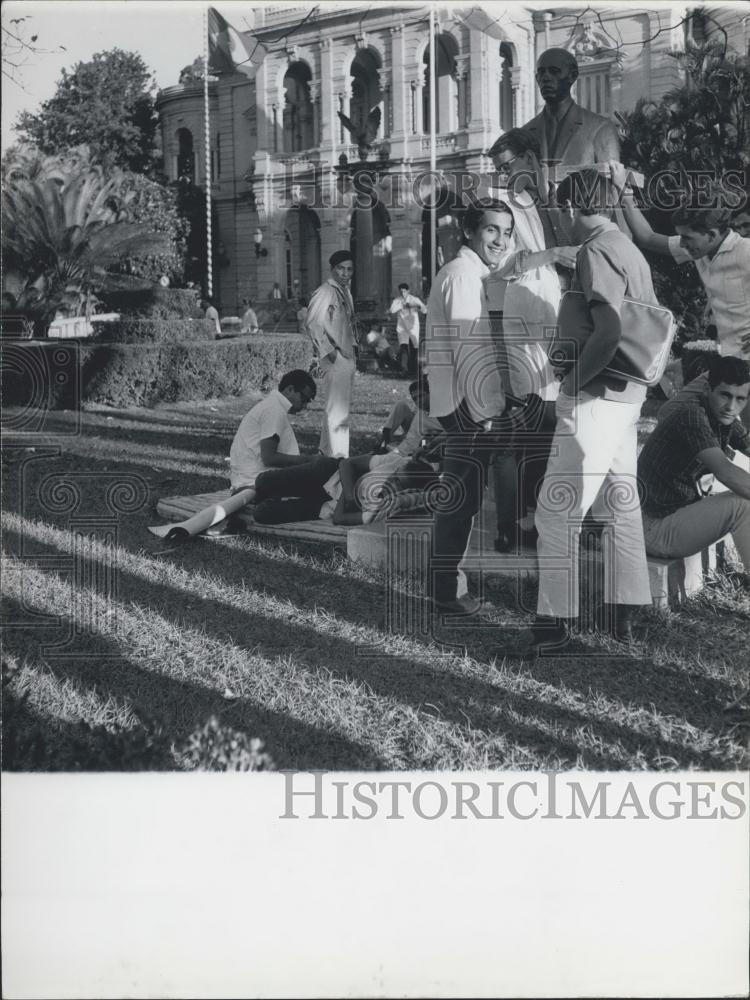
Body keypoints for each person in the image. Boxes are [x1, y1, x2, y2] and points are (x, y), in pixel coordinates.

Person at [525, 170, 657, 653]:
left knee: (556, 511)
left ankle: (553, 627)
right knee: (622, 504)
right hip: (627, 397)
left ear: (572, 208)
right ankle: (624, 614)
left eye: (561, 209)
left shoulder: (595, 250)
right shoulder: (627, 247)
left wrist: (572, 386)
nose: (559, 217)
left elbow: (608, 329)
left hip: (597, 397)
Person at [486, 128, 580, 551]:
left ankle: (533, 518)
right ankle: (509, 524)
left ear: (530, 158)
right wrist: (555, 256)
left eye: (509, 166)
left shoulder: (543, 199)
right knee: (519, 429)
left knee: (547, 426)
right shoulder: (503, 205)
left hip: (551, 316)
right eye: (499, 169)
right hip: (523, 321)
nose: (505, 175)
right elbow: (502, 264)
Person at [423, 198, 511, 615]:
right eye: (492, 230)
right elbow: (468, 351)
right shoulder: (461, 275)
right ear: (471, 233)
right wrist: (485, 412)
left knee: (463, 499)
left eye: (507, 231)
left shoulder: (473, 273)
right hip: (465, 405)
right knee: (460, 501)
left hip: (465, 404)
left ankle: (448, 587)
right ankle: (446, 593)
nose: (501, 239)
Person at [610, 166, 750, 365]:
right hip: (730, 363)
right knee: (682, 397)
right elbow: (647, 237)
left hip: (743, 367)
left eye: (687, 237)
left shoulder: (744, 251)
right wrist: (624, 191)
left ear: (711, 235)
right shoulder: (700, 249)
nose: (682, 243)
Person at [638, 355, 750, 584]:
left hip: (675, 515)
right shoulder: (692, 415)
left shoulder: (721, 416)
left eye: (740, 399)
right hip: (652, 527)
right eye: (725, 395)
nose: (731, 406)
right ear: (708, 389)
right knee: (742, 505)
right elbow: (726, 473)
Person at [229, 369, 339, 524]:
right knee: (325, 471)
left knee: (325, 479)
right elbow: (269, 457)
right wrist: (309, 460)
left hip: (251, 479)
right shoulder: (274, 410)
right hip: (254, 481)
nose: (305, 406)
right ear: (290, 389)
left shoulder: (272, 407)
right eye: (304, 399)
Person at [520, 48, 620, 177]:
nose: (546, 78)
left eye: (554, 71)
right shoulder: (525, 134)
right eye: (541, 72)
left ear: (572, 76)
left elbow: (609, 189)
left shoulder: (601, 128)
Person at [305, 250, 357, 458]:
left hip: (346, 357)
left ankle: (326, 455)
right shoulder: (326, 291)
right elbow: (312, 323)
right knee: (338, 411)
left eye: (349, 269)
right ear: (332, 269)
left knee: (338, 409)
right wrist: (330, 353)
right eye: (341, 268)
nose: (345, 273)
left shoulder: (344, 291)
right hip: (337, 359)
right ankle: (339, 459)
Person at [389, 283, 427, 374]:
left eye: (404, 291)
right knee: (404, 347)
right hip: (402, 327)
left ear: (408, 291)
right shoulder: (397, 300)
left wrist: (415, 306)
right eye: (401, 291)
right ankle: (404, 369)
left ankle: (413, 367)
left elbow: (425, 309)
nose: (403, 293)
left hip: (413, 327)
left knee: (415, 347)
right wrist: (402, 305)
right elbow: (392, 310)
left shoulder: (414, 299)